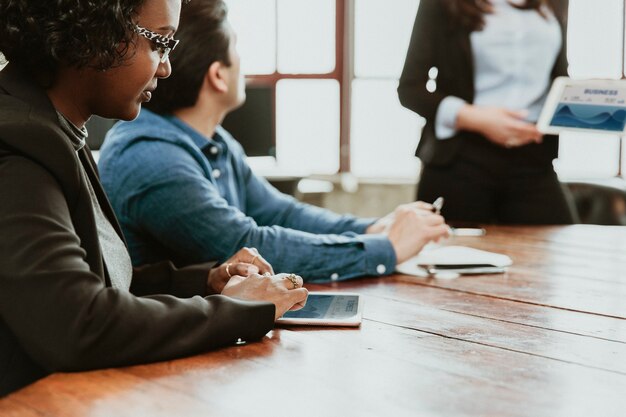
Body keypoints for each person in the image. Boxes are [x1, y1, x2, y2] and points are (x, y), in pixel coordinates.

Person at [0, 0, 308, 397]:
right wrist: (238, 311)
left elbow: (94, 279)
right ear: (96, 31)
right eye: (159, 43)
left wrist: (205, 282)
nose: (166, 67)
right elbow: (79, 323)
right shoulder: (18, 145)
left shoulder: (53, 129)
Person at [98, 0, 450, 283]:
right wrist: (386, 247)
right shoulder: (150, 157)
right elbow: (246, 244)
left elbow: (280, 212)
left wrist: (373, 228)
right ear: (218, 75)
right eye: (236, 50)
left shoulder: (214, 141)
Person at [398, 0, 577, 224]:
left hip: (534, 156)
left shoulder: (554, 2)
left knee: (560, 248)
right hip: (461, 156)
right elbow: (410, 89)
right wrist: (478, 120)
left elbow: (558, 78)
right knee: (451, 252)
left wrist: (594, 99)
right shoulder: (444, 4)